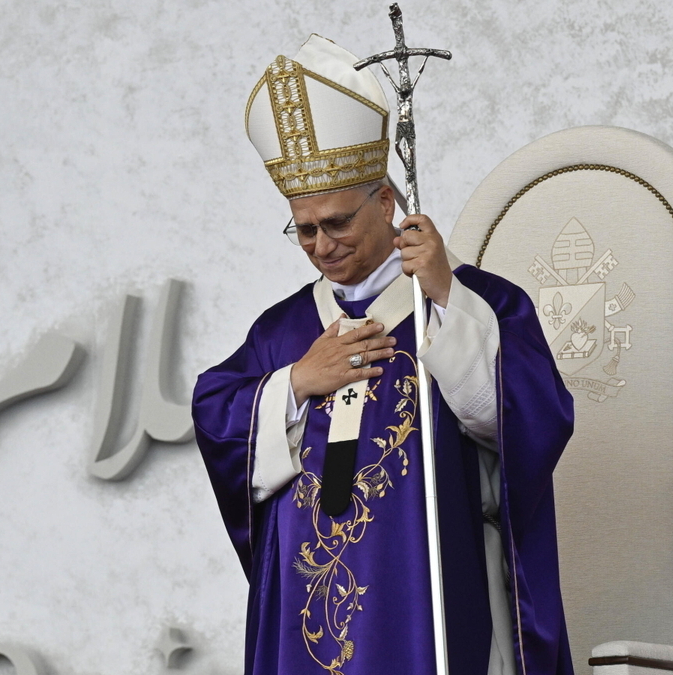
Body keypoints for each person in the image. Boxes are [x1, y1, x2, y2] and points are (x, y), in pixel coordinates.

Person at [193, 35, 575, 675]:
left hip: (429, 604)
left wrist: (447, 297)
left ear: (386, 202)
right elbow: (215, 414)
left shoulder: (472, 302)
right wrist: (295, 382)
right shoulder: (282, 332)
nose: (322, 246)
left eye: (338, 222)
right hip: (309, 619)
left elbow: (530, 421)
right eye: (305, 229)